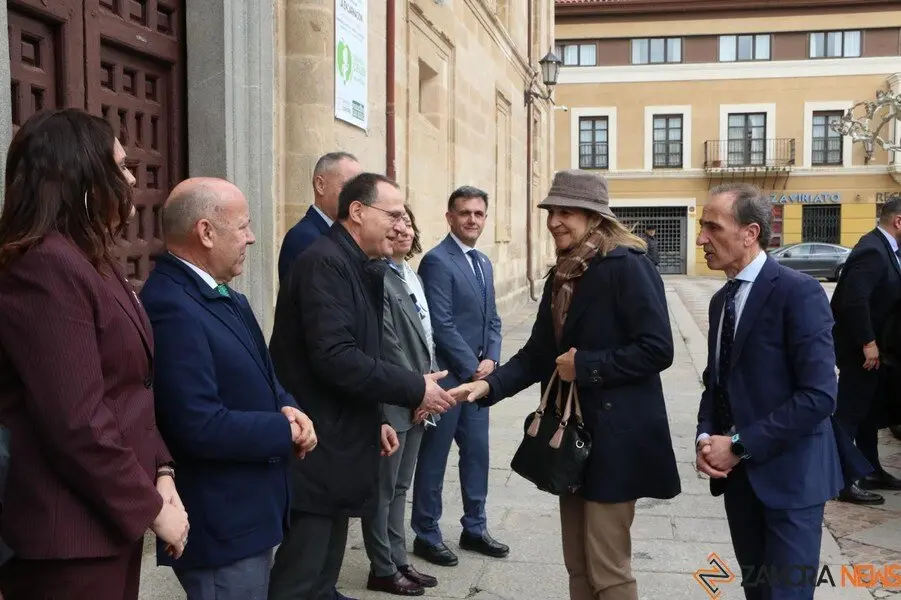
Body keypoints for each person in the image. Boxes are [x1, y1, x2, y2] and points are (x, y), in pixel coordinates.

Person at [450, 170, 680, 600]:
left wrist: (587, 365)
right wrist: (486, 388)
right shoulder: (564, 272)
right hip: (569, 439)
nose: (554, 220)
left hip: (616, 439)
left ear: (594, 218)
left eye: (566, 212)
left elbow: (657, 349)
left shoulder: (628, 266)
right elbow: (539, 352)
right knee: (577, 562)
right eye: (551, 211)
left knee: (608, 567)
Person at [0, 108, 188, 600]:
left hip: (105, 523)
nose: (131, 179)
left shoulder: (91, 258)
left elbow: (129, 388)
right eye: (120, 166)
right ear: (82, 178)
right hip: (68, 539)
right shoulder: (45, 267)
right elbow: (77, 419)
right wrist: (150, 509)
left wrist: (162, 472)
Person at [267, 173, 456, 600]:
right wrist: (413, 388)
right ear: (357, 212)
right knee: (302, 571)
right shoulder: (325, 262)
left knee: (324, 569)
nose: (400, 223)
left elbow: (362, 354)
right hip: (317, 445)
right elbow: (336, 357)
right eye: (392, 214)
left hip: (342, 438)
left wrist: (374, 421)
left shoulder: (358, 264)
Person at [140, 178, 318, 600]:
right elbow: (197, 426)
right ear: (206, 232)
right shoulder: (172, 305)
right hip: (221, 524)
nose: (252, 238)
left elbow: (265, 376)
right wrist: (284, 431)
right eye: (243, 226)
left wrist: (292, 409)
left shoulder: (224, 295)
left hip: (251, 511)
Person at [693, 183, 852, 600]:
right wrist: (706, 436)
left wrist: (740, 445)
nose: (701, 239)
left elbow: (819, 395)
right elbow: (717, 381)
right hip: (741, 484)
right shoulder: (720, 301)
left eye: (713, 227)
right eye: (701, 227)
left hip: (792, 482)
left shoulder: (798, 292)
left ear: (750, 233)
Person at [411, 186, 506, 567]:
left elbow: (493, 319)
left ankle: (475, 529)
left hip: (478, 382)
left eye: (479, 213)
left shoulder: (483, 262)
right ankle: (426, 534)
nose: (472, 219)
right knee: (434, 459)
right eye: (464, 213)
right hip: (449, 382)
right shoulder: (437, 261)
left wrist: (493, 362)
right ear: (449, 217)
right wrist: (472, 367)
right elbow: (441, 325)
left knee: (478, 456)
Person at [362, 205, 439, 596]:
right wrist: (416, 389)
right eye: (395, 222)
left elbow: (425, 335)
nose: (403, 229)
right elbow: (388, 344)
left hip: (418, 395)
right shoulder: (378, 276)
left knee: (401, 487)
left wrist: (428, 388)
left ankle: (399, 558)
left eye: (408, 221)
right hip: (397, 396)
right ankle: (382, 566)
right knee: (382, 489)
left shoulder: (410, 273)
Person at [831, 196, 901, 505]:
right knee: (850, 413)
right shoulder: (872, 249)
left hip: (876, 349)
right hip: (860, 350)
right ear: (898, 221)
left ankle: (870, 469)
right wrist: (867, 343)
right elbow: (854, 301)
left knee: (870, 414)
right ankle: (841, 480)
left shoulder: (887, 248)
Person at [277, 151, 361, 284]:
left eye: (359, 190)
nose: (356, 197)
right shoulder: (304, 238)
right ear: (320, 185)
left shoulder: (340, 234)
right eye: (348, 187)